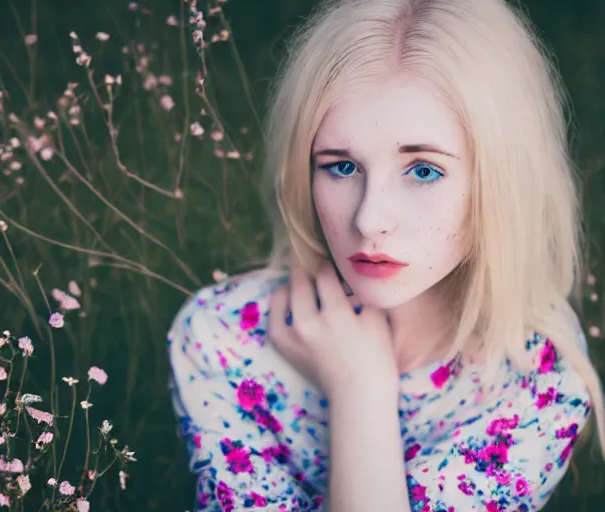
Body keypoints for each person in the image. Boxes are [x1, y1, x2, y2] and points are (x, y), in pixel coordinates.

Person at [168, 0, 605, 510]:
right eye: (341, 167)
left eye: (423, 170)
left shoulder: (537, 374)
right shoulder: (224, 336)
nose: (368, 220)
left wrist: (359, 393)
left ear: (503, 183)